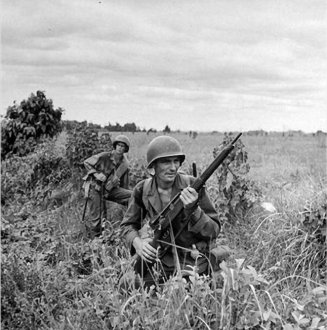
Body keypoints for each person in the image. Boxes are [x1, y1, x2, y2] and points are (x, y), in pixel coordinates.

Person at [120, 135, 222, 289]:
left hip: (191, 258)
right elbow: (128, 225)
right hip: (161, 256)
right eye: (166, 162)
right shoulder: (142, 189)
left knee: (179, 292)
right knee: (126, 284)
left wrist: (194, 210)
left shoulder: (193, 186)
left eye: (176, 161)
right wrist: (138, 243)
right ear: (153, 166)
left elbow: (214, 230)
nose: (173, 167)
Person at [83, 134, 132, 238]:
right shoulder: (105, 156)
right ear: (115, 146)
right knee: (97, 220)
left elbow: (124, 185)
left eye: (123, 146)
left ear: (125, 149)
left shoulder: (125, 164)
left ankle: (130, 225)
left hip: (109, 190)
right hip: (95, 188)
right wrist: (96, 174)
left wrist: (117, 186)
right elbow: (86, 162)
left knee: (133, 196)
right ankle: (96, 241)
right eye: (118, 145)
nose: (120, 148)